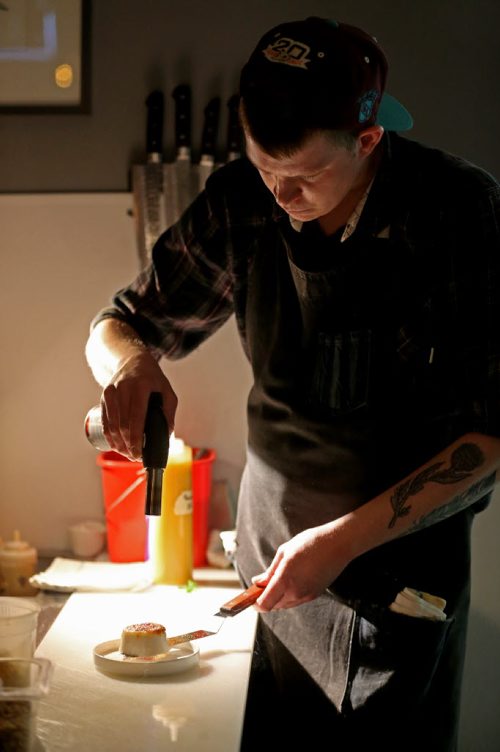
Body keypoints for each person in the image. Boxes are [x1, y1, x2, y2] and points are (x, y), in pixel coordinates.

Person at [85, 17, 500, 750]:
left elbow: (491, 437)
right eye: (263, 166)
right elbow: (118, 322)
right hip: (270, 576)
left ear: (367, 142)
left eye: (304, 176)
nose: (280, 193)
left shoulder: (456, 213)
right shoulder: (245, 199)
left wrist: (342, 541)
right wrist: (128, 364)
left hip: (399, 589)